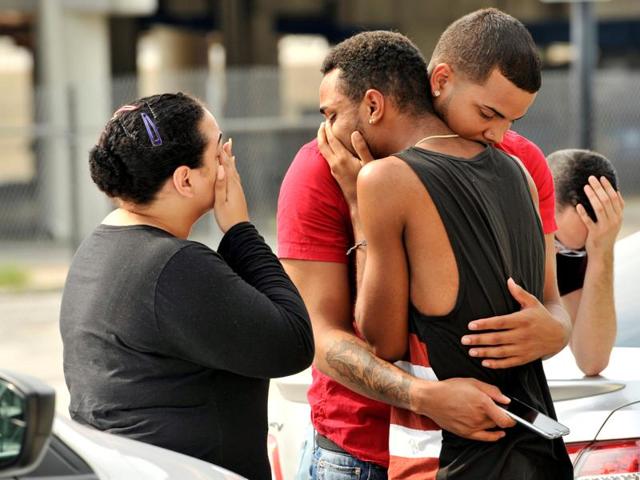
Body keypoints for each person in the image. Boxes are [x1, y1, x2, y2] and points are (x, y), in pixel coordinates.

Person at [278, 9, 571, 478]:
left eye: (509, 120)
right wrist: (424, 398)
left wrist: (557, 330)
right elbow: (320, 333)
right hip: (361, 450)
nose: (498, 134)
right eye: (488, 114)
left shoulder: (519, 160)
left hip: (477, 445)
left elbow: (551, 305)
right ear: (439, 80)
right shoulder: (319, 168)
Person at [60, 92, 314, 480]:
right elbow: (293, 343)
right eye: (218, 153)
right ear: (184, 179)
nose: (228, 162)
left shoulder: (97, 248)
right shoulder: (173, 267)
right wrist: (242, 230)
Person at [547, 149, 624, 376]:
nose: (556, 254)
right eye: (556, 241)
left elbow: (592, 360)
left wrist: (601, 252)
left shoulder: (575, 249)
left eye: (572, 251)